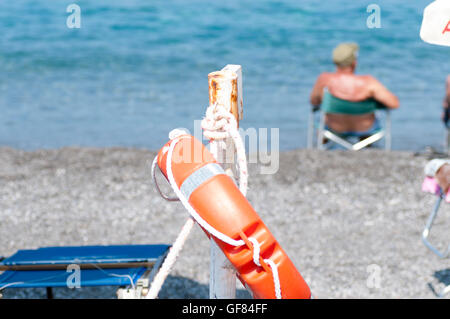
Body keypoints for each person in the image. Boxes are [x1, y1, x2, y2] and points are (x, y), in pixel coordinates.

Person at [310, 43, 400, 134]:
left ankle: (323, 146)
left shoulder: (324, 79)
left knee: (323, 117)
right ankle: (367, 145)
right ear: (354, 62)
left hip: (334, 127)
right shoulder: (368, 82)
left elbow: (314, 101)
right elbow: (394, 104)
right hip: (365, 128)